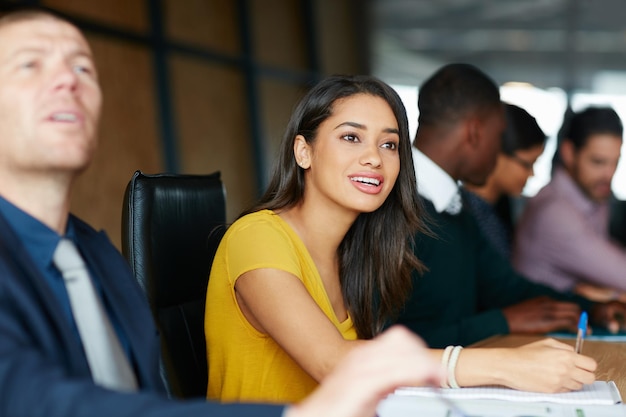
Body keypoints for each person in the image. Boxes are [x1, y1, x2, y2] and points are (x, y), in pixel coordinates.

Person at [0, 8, 447, 417]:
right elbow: (43, 401)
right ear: (303, 151)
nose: (68, 80)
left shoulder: (97, 261)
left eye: (82, 66)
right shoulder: (259, 238)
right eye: (30, 64)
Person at [205, 73, 597, 405]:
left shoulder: (358, 250)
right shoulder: (257, 237)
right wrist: (506, 365)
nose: (374, 157)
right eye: (351, 138)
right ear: (303, 152)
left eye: (389, 144)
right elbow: (335, 362)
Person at [392, 62, 626, 349]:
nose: (498, 151)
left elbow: (506, 288)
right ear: (475, 132)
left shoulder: (455, 206)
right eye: (498, 134)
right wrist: (502, 321)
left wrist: (589, 307)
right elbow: (386, 342)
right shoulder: (391, 209)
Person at [514, 107, 626, 296]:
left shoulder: (593, 195)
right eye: (598, 162)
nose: (609, 174)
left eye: (615, 162)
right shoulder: (555, 213)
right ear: (568, 153)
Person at [463, 102, 547, 258]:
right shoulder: (468, 216)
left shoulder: (502, 207)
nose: (531, 174)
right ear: (494, 151)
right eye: (527, 164)